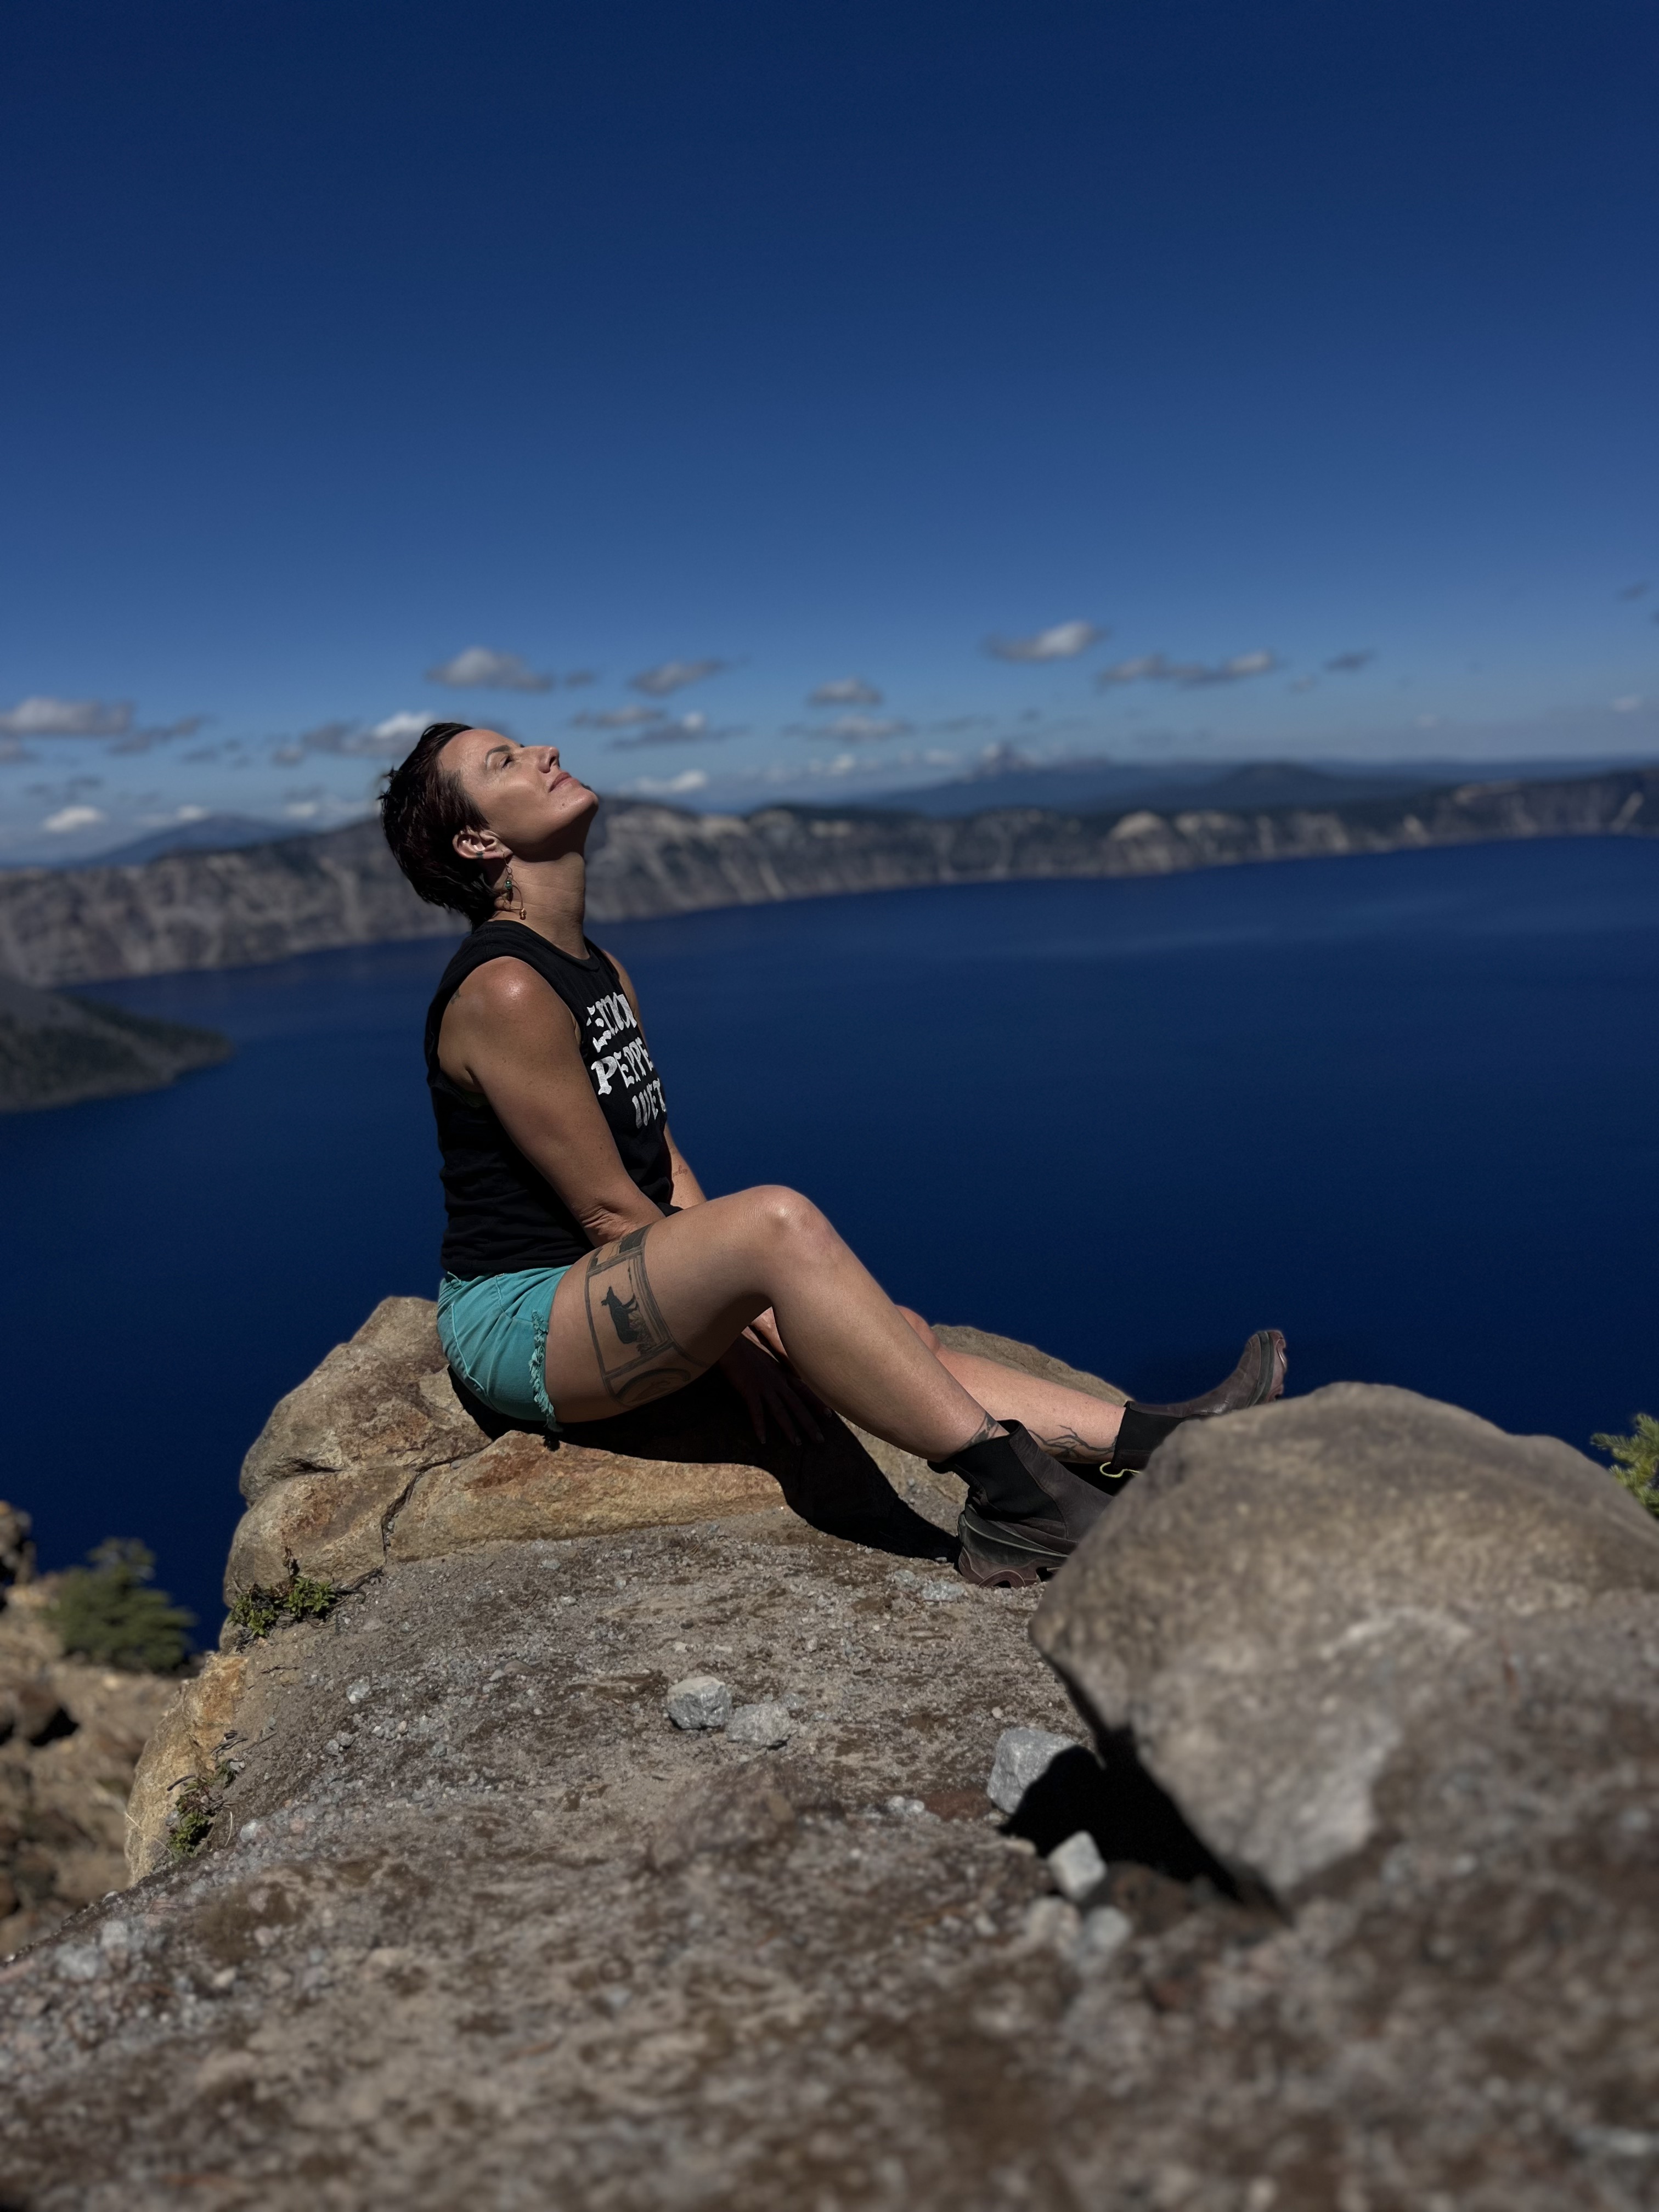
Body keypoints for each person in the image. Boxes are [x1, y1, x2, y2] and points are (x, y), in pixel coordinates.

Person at [380, 723, 1286, 1587]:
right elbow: (609, 1213)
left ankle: (1151, 1443)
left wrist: (789, 1314)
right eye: (505, 761)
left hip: (606, 1282)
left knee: (878, 1334)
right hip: (526, 1319)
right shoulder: (505, 987)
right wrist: (740, 1342)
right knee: (781, 1229)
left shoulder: (597, 967)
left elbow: (659, 1159)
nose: (545, 753)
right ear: (476, 843)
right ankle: (1016, 1504)